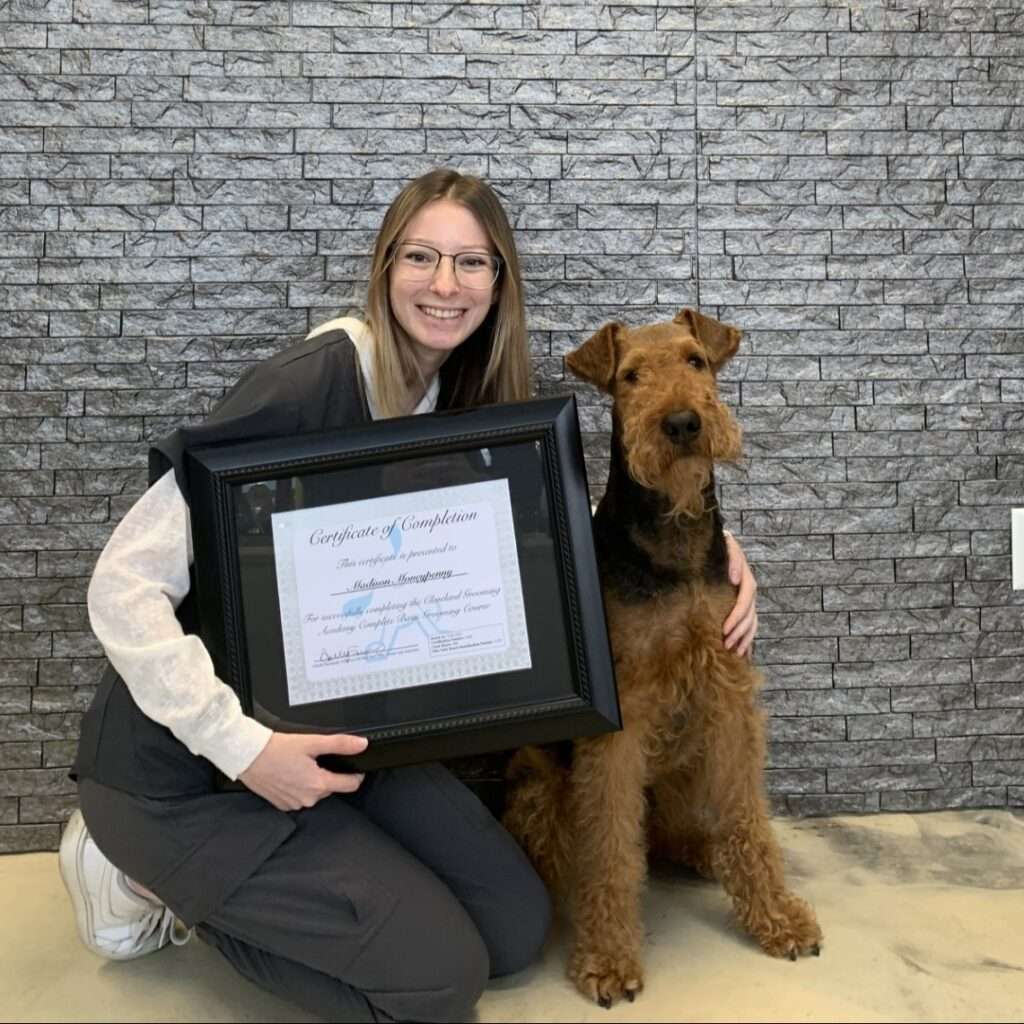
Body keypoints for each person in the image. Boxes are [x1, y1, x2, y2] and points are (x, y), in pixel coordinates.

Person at [59, 168, 759, 1023]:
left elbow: (567, 537)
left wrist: (716, 551)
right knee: (436, 985)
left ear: (499, 284)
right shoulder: (317, 379)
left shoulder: (459, 399)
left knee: (514, 926)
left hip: (333, 740)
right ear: (385, 265)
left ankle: (277, 874)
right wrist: (240, 747)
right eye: (421, 256)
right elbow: (119, 585)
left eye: (472, 262)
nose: (444, 283)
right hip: (188, 767)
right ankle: (138, 873)